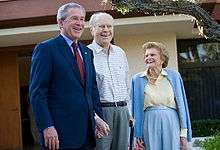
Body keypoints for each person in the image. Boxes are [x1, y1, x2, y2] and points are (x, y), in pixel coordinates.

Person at [29, 3, 108, 150]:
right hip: (59, 135)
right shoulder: (46, 49)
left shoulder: (87, 52)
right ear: (60, 22)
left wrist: (96, 118)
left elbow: (91, 90)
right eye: (74, 18)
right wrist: (47, 126)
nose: (79, 23)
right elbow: (37, 94)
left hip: (87, 134)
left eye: (82, 19)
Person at [130, 42, 192, 150]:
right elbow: (134, 109)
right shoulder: (137, 79)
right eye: (146, 55)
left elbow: (182, 106)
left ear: (162, 59)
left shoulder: (174, 76)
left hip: (171, 121)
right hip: (148, 122)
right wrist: (137, 134)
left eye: (152, 55)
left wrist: (183, 134)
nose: (148, 57)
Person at [88, 12, 133, 150]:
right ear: (92, 29)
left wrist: (129, 112)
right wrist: (94, 117)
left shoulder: (120, 52)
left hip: (123, 111)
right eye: (101, 26)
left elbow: (126, 85)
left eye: (109, 26)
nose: (106, 30)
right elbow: (86, 91)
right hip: (102, 112)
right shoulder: (86, 53)